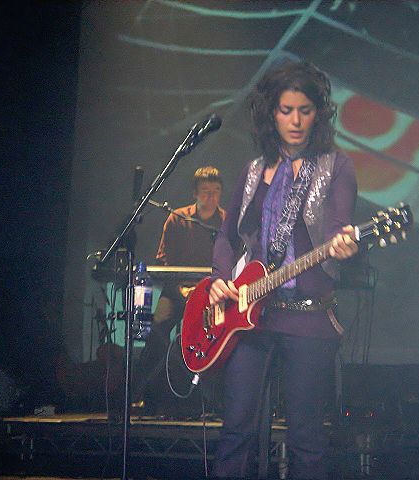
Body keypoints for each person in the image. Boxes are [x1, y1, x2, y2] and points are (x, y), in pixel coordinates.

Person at [210, 60, 359, 479]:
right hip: (251, 318)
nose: (295, 121)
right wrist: (221, 279)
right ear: (270, 114)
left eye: (305, 110)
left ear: (318, 114)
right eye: (286, 110)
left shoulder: (336, 167)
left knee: (306, 438)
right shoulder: (255, 170)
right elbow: (226, 237)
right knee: (236, 429)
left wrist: (342, 245)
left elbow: (336, 227)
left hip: (310, 318)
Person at [135, 166, 225, 410]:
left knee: (222, 339)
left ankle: (214, 400)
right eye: (205, 191)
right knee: (158, 331)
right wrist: (181, 289)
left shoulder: (226, 222)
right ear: (195, 193)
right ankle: (140, 393)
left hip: (212, 293)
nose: (210, 197)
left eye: (215, 191)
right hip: (177, 290)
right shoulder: (177, 218)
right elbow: (164, 260)